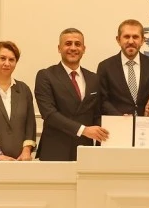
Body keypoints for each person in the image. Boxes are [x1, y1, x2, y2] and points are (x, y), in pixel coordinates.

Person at [34, 28, 107, 161]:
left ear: (84, 49)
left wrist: (119, 124)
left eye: (77, 44)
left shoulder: (94, 78)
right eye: (68, 44)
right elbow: (49, 114)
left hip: (85, 150)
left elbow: (97, 114)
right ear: (59, 48)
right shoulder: (46, 76)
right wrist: (83, 130)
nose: (73, 48)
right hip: (55, 150)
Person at [95, 19, 149, 116]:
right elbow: (102, 99)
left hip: (147, 122)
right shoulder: (105, 67)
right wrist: (119, 117)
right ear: (118, 40)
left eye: (135, 37)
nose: (131, 41)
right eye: (126, 36)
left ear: (142, 40)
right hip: (117, 122)